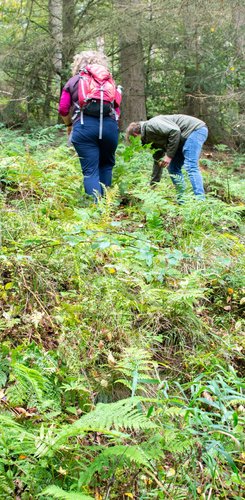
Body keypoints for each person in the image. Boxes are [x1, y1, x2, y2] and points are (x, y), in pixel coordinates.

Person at [58, 51, 121, 199]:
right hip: (109, 128)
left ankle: (95, 211)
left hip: (84, 127)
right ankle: (106, 207)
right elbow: (117, 109)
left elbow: (63, 108)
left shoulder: (73, 81)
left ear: (78, 64)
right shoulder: (110, 83)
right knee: (106, 166)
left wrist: (69, 125)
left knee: (90, 171)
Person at [126, 114, 208, 201]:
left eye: (134, 141)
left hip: (195, 130)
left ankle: (200, 201)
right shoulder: (148, 139)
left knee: (191, 165)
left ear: (135, 134)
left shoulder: (152, 125)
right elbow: (157, 160)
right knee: (173, 168)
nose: (138, 145)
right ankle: (182, 200)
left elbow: (175, 131)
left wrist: (169, 156)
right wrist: (153, 185)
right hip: (181, 138)